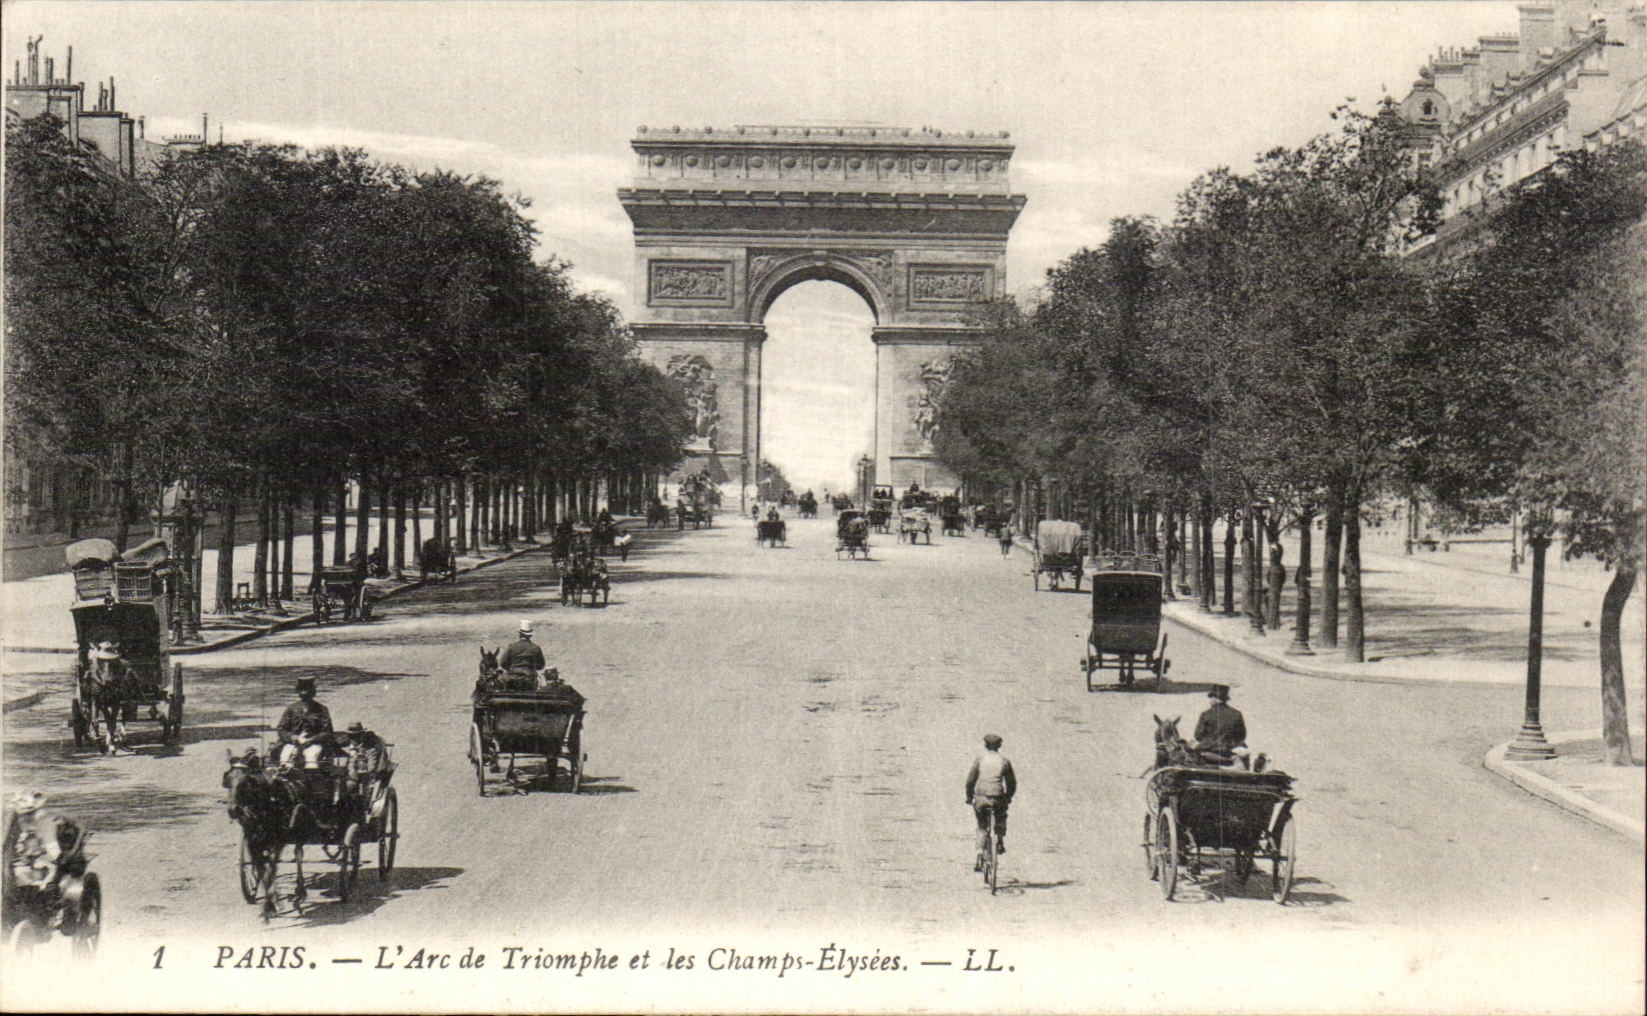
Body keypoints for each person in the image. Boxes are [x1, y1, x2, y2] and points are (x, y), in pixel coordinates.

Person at [965, 734, 1017, 871]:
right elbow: (1011, 783)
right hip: (998, 797)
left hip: (982, 798)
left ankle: (979, 852)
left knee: (982, 826)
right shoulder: (1005, 761)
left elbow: (970, 781)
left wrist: (969, 797)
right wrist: (1008, 797)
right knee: (1001, 816)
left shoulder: (980, 760)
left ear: (985, 745)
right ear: (999, 746)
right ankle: (999, 840)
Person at [276, 677, 334, 771]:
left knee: (311, 761)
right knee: (285, 760)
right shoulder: (291, 709)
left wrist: (311, 739)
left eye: (307, 690)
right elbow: (281, 729)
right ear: (298, 692)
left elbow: (327, 732)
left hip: (314, 744)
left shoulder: (322, 709)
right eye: (302, 689)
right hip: (293, 743)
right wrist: (292, 737)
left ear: (312, 692)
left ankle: (311, 782)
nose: (304, 693)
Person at [1194, 684, 1250, 768]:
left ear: (1215, 698)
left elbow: (1198, 736)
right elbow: (1241, 736)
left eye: (1211, 697)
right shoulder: (1236, 714)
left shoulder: (1206, 714)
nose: (1210, 701)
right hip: (1227, 752)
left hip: (1206, 750)